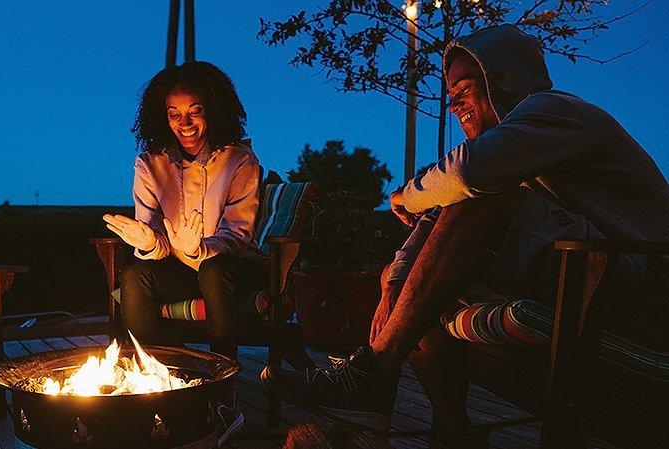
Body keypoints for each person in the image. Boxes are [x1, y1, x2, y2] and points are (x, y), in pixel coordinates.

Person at [262, 24, 669, 448]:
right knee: (413, 286)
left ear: (503, 80)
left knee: (476, 204)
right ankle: (451, 430)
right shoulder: (518, 151)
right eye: (450, 92)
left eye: (466, 88)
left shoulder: (557, 112)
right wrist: (395, 281)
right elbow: (441, 215)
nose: (453, 103)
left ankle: (374, 374)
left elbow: (466, 174)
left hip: (645, 291)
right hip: (585, 274)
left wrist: (409, 194)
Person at [102, 60, 266, 446]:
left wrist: (203, 247)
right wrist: (147, 243)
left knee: (212, 271)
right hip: (179, 265)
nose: (185, 123)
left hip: (234, 265)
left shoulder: (240, 161)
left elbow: (238, 235)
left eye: (195, 111)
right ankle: (147, 380)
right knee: (133, 274)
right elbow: (155, 237)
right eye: (174, 114)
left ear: (214, 111)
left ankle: (224, 393)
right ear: (162, 118)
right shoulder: (149, 164)